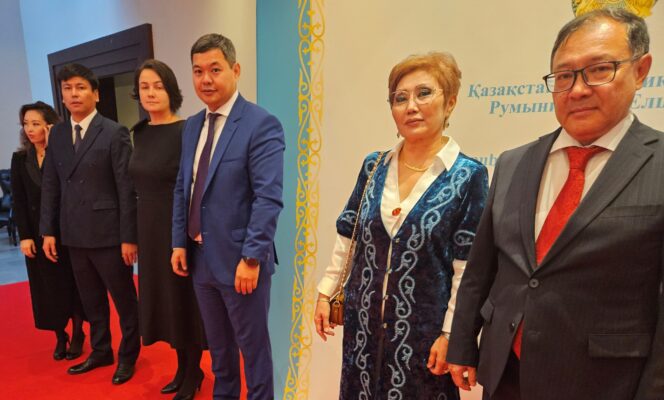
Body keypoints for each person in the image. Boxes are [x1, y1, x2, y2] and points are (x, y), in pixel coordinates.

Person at [446, 8, 664, 400]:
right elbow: (483, 268)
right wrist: (462, 344)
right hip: (506, 373)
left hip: (606, 383)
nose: (577, 90)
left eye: (599, 69)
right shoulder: (514, 162)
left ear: (640, 70)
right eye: (564, 76)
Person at [314, 52, 489, 399]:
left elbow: (467, 266)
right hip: (362, 332)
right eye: (400, 98)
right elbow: (349, 233)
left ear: (450, 102)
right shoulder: (374, 166)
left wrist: (452, 334)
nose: (411, 106)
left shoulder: (468, 175)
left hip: (423, 338)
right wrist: (326, 292)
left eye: (424, 93)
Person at [171, 33, 285, 400]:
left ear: (235, 70)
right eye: (198, 71)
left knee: (254, 354)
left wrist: (251, 258)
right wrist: (179, 242)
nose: (205, 79)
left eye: (215, 69)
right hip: (200, 259)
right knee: (219, 353)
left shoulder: (260, 124)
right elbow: (184, 187)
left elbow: (268, 198)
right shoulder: (192, 125)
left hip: (241, 263)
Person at [40, 63, 140, 385]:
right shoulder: (57, 133)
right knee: (90, 299)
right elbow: (51, 184)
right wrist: (48, 230)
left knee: (124, 300)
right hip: (73, 232)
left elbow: (126, 188)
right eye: (67, 89)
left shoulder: (114, 132)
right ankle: (101, 350)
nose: (74, 94)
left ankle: (128, 354)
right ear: (62, 96)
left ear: (95, 94)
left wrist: (129, 237)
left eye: (81, 87)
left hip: (109, 233)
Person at [128, 59, 207, 400]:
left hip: (178, 228)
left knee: (184, 300)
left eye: (158, 86)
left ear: (171, 90)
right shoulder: (139, 133)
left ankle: (194, 371)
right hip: (148, 228)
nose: (151, 93)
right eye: (144, 87)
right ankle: (181, 367)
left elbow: (195, 184)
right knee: (163, 302)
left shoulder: (187, 130)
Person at [11, 101, 86, 361]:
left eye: (36, 124)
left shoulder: (64, 154)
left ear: (49, 125)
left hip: (66, 230)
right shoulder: (20, 159)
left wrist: (58, 145)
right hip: (36, 232)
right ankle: (59, 335)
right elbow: (19, 200)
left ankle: (78, 331)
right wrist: (25, 236)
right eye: (26, 124)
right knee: (47, 287)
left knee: (73, 283)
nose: (30, 129)